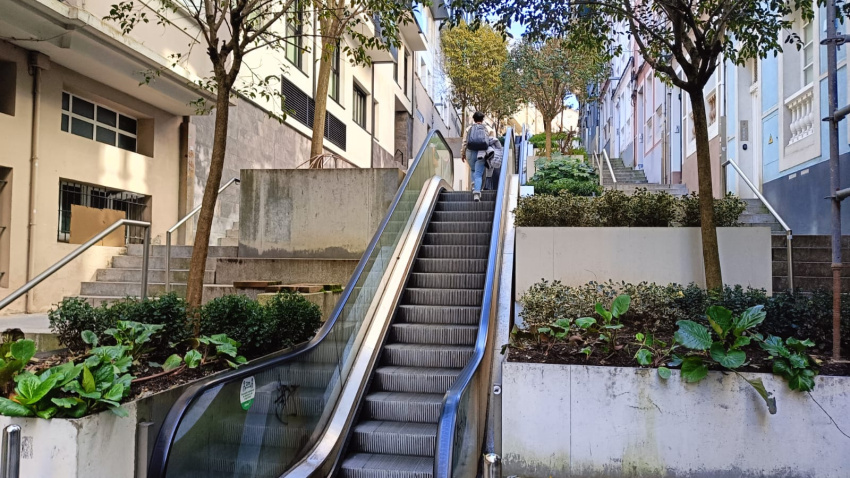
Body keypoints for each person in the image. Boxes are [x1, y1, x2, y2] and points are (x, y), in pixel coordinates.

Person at [461, 111, 496, 201]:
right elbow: (492, 143)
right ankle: (477, 192)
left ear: (474, 119)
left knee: (473, 170)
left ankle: (474, 188)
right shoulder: (488, 129)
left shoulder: (468, 129)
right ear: (482, 119)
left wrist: (463, 154)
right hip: (482, 153)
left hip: (470, 152)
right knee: (479, 174)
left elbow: (464, 143)